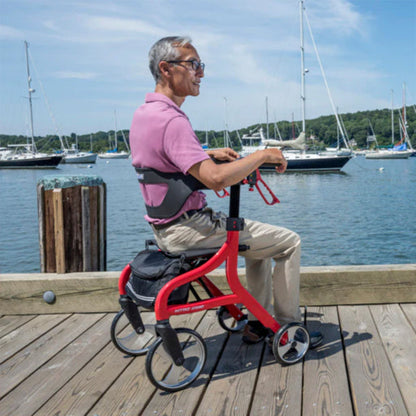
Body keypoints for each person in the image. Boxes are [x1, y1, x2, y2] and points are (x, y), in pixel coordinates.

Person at [130, 36, 322, 347]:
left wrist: (204, 154)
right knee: (289, 243)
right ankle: (285, 327)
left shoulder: (145, 114)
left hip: (165, 227)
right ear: (166, 69)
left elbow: (164, 162)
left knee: (259, 246)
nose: (200, 73)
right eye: (193, 65)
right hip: (190, 227)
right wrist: (261, 155)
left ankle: (260, 322)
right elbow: (217, 180)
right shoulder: (172, 121)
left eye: (200, 65)